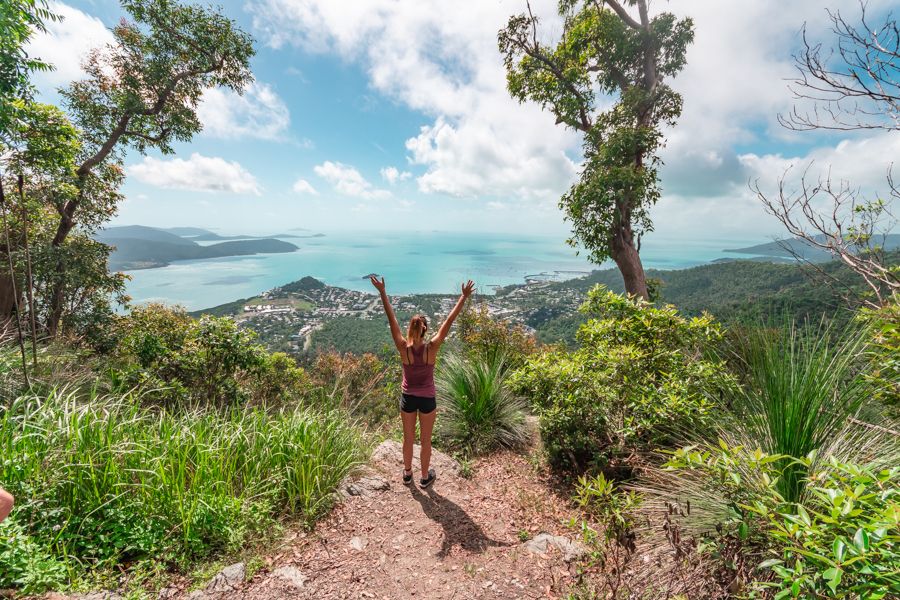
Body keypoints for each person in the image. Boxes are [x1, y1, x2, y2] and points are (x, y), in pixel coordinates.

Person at [370, 276, 475, 488]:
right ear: (425, 330)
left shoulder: (403, 348)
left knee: (408, 438)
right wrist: (463, 297)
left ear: (410, 330)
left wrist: (382, 292)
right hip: (427, 399)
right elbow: (449, 322)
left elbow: (392, 320)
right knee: (425, 440)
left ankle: (407, 473)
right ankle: (425, 476)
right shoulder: (432, 348)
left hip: (408, 398)